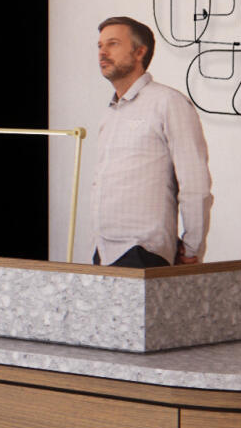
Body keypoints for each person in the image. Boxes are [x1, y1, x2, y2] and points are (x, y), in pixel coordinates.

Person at [89, 15, 213, 267]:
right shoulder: (110, 114)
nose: (103, 52)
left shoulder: (168, 102)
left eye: (113, 44)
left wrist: (192, 248)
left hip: (144, 251)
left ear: (139, 52)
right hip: (104, 252)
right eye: (100, 46)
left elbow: (194, 183)